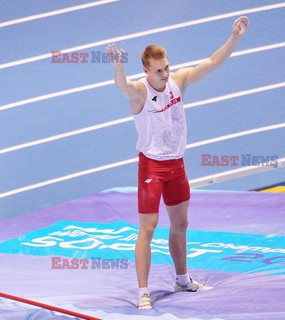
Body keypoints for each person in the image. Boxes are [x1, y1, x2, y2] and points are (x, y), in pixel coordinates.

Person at [106, 16, 249, 310]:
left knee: (180, 223)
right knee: (148, 227)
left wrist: (234, 37)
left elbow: (211, 63)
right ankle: (143, 291)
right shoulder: (140, 93)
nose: (164, 73)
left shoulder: (178, 82)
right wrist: (118, 68)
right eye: (158, 70)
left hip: (176, 165)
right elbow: (123, 87)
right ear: (146, 70)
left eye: (166, 67)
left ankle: (182, 279)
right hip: (152, 167)